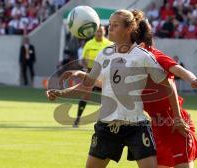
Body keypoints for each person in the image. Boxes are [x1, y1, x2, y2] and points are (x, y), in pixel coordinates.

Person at [47, 9, 185, 168]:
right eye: (110, 24)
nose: (110, 28)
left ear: (128, 29)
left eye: (115, 25)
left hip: (136, 126)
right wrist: (61, 92)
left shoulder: (143, 56)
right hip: (107, 126)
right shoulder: (104, 54)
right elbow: (89, 83)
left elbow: (168, 86)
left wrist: (177, 117)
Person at [131, 9, 197, 168]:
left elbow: (178, 70)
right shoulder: (129, 61)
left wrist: (192, 79)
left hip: (175, 120)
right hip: (156, 125)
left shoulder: (153, 56)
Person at [74, 25, 112, 127]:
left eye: (101, 31)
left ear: (104, 32)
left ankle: (105, 121)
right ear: (95, 33)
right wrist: (86, 68)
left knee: (107, 97)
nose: (99, 33)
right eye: (97, 32)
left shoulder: (109, 44)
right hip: (91, 73)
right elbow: (82, 60)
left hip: (103, 74)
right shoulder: (89, 44)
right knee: (85, 96)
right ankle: (77, 119)